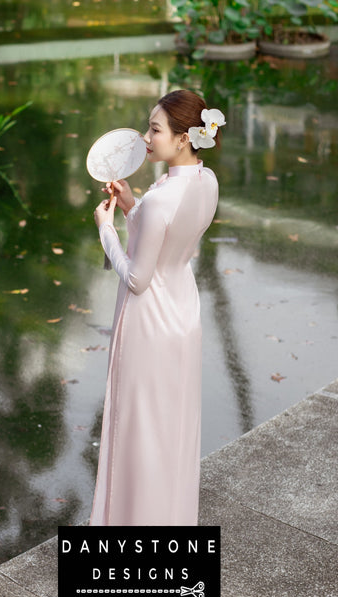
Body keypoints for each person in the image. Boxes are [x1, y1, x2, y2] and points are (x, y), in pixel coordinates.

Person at [90, 90, 224, 533]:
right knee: (172, 432)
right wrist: (133, 208)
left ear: (185, 138)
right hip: (183, 314)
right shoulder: (206, 182)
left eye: (155, 129)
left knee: (141, 436)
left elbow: (136, 279)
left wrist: (107, 229)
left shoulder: (161, 199)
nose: (146, 137)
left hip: (149, 325)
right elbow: (167, 241)